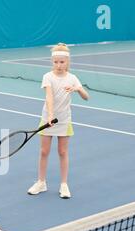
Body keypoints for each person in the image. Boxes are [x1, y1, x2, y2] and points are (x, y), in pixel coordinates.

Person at [27, 43, 89, 199]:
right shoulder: (48, 77)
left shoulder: (73, 78)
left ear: (67, 62)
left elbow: (86, 97)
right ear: (52, 61)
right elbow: (49, 96)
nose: (59, 65)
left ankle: (64, 185)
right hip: (48, 118)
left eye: (62, 62)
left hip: (64, 120)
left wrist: (77, 89)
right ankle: (41, 182)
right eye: (56, 62)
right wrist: (49, 116)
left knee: (62, 152)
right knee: (44, 151)